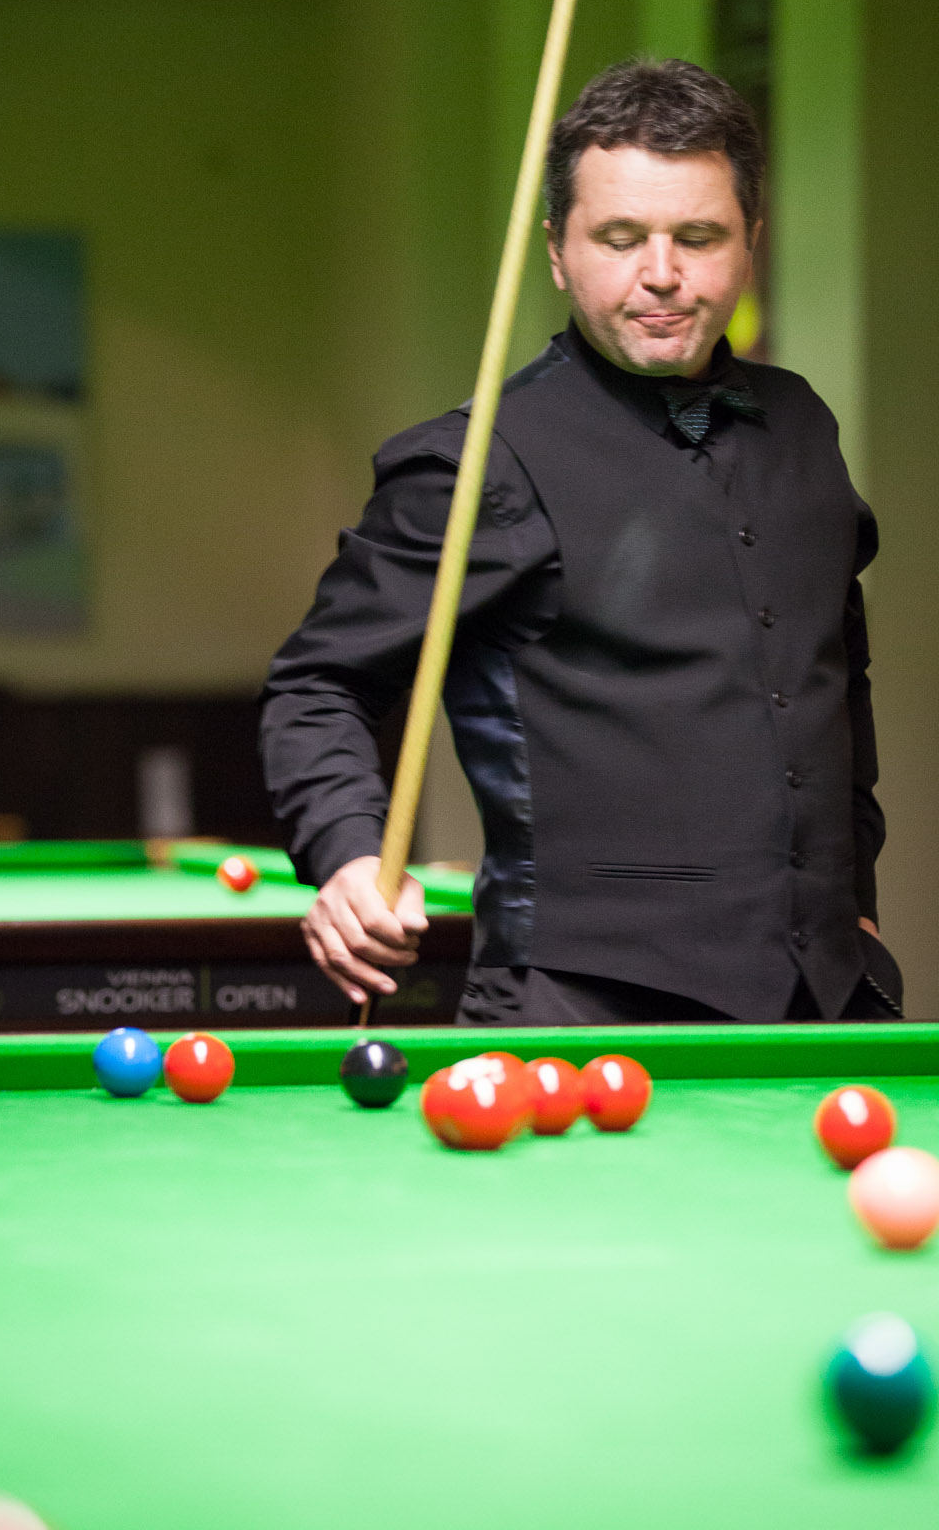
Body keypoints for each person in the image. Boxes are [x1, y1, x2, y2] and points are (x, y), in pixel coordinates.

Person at [260, 58, 902, 1027]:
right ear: (558, 250)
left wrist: (853, 897)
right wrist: (348, 852)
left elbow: (833, 676)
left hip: (828, 1003)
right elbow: (318, 684)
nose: (661, 273)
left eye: (698, 236)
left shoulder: (800, 425)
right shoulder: (476, 463)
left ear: (750, 243)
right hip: (581, 1013)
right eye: (620, 237)